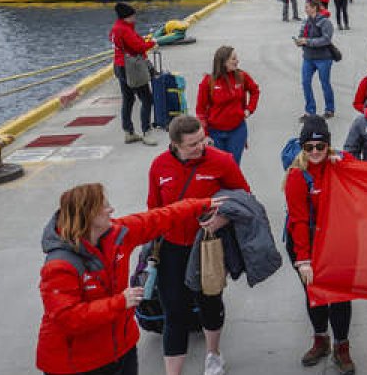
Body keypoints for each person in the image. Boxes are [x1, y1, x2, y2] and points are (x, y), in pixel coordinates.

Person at [37, 184, 223, 375]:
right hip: (76, 365)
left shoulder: (118, 234)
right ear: (89, 214)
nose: (111, 209)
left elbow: (160, 218)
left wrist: (201, 205)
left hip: (121, 351)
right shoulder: (59, 265)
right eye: (104, 206)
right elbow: (67, 318)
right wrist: (120, 302)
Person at [148, 115, 250, 375]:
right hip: (171, 248)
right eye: (192, 144)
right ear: (175, 145)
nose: (200, 147)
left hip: (207, 246)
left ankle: (213, 355)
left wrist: (223, 218)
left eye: (202, 140)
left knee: (209, 303)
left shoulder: (221, 161)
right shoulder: (159, 166)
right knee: (174, 311)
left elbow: (245, 198)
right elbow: (153, 209)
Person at [283, 116, 356, 374]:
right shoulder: (296, 176)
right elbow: (299, 220)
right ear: (303, 148)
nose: (315, 152)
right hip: (308, 243)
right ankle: (320, 340)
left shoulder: (340, 164)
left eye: (320, 147)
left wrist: (345, 162)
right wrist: (303, 260)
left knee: (340, 296)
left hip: (339, 242)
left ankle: (342, 347)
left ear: (328, 146)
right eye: (309, 148)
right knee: (315, 296)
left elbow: (365, 175)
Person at [196, 46, 260, 165]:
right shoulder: (208, 82)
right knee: (218, 167)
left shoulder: (242, 76)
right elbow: (200, 111)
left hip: (237, 131)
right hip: (214, 133)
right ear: (223, 62)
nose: (237, 61)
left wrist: (249, 109)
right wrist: (204, 135)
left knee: (233, 166)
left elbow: (255, 91)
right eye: (233, 59)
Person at [109, 2, 158, 146]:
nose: (135, 18)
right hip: (132, 68)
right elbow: (138, 47)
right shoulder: (125, 30)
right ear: (126, 17)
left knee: (128, 98)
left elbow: (121, 42)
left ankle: (129, 132)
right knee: (147, 99)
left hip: (119, 66)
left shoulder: (116, 28)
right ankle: (146, 132)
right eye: (133, 16)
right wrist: (152, 43)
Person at [296, 0, 337, 119]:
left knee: (325, 83)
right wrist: (299, 41)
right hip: (308, 57)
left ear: (314, 8)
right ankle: (310, 110)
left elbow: (326, 39)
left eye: (307, 7)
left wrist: (307, 41)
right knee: (305, 83)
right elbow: (301, 34)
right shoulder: (306, 21)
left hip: (323, 58)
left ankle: (329, 109)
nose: (305, 9)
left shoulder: (325, 22)